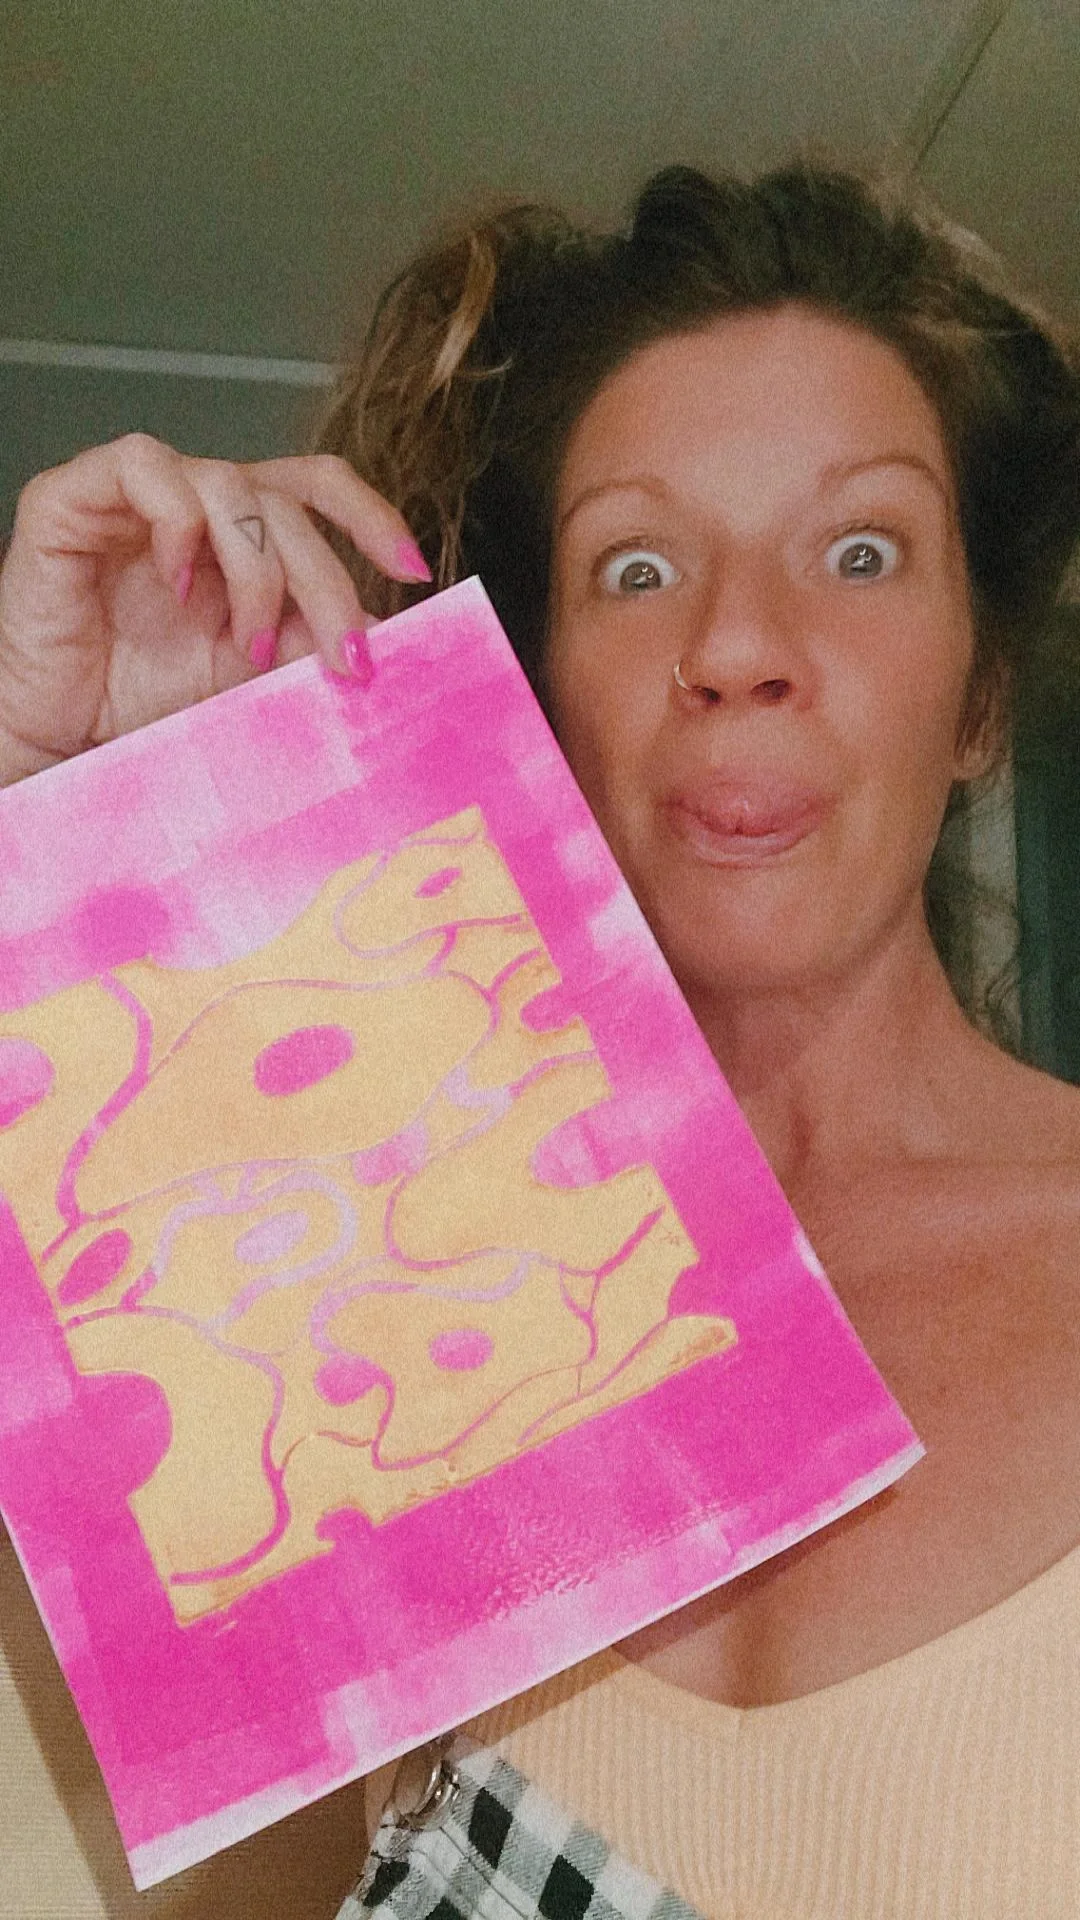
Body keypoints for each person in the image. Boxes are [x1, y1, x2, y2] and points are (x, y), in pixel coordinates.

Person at [1, 160, 1079, 1918]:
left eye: (860, 551)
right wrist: (62, 840)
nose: (738, 644)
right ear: (547, 699)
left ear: (979, 699)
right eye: (637, 567)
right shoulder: (351, 1272)